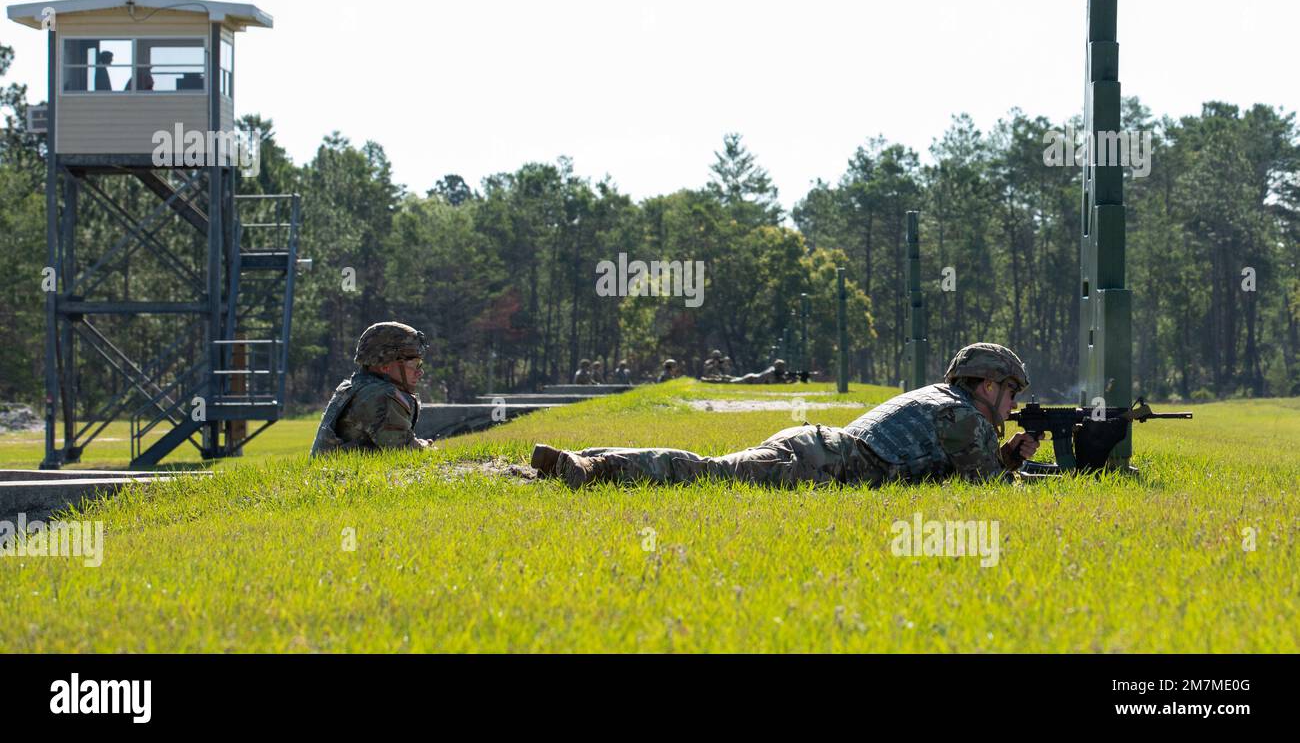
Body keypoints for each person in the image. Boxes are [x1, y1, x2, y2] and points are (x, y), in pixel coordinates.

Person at [530, 343, 1040, 489]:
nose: (1012, 406)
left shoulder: (941, 401)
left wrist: (1008, 459)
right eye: (1010, 393)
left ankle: (584, 460)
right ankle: (589, 468)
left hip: (819, 448)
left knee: (713, 471)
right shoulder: (964, 417)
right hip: (822, 462)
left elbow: (969, 469)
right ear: (988, 386)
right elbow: (986, 485)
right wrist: (1013, 471)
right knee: (708, 474)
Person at [310, 322, 433, 457]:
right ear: (385, 365)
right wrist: (426, 448)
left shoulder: (357, 386)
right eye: (414, 364)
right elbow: (403, 450)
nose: (420, 372)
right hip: (344, 475)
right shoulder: (381, 395)